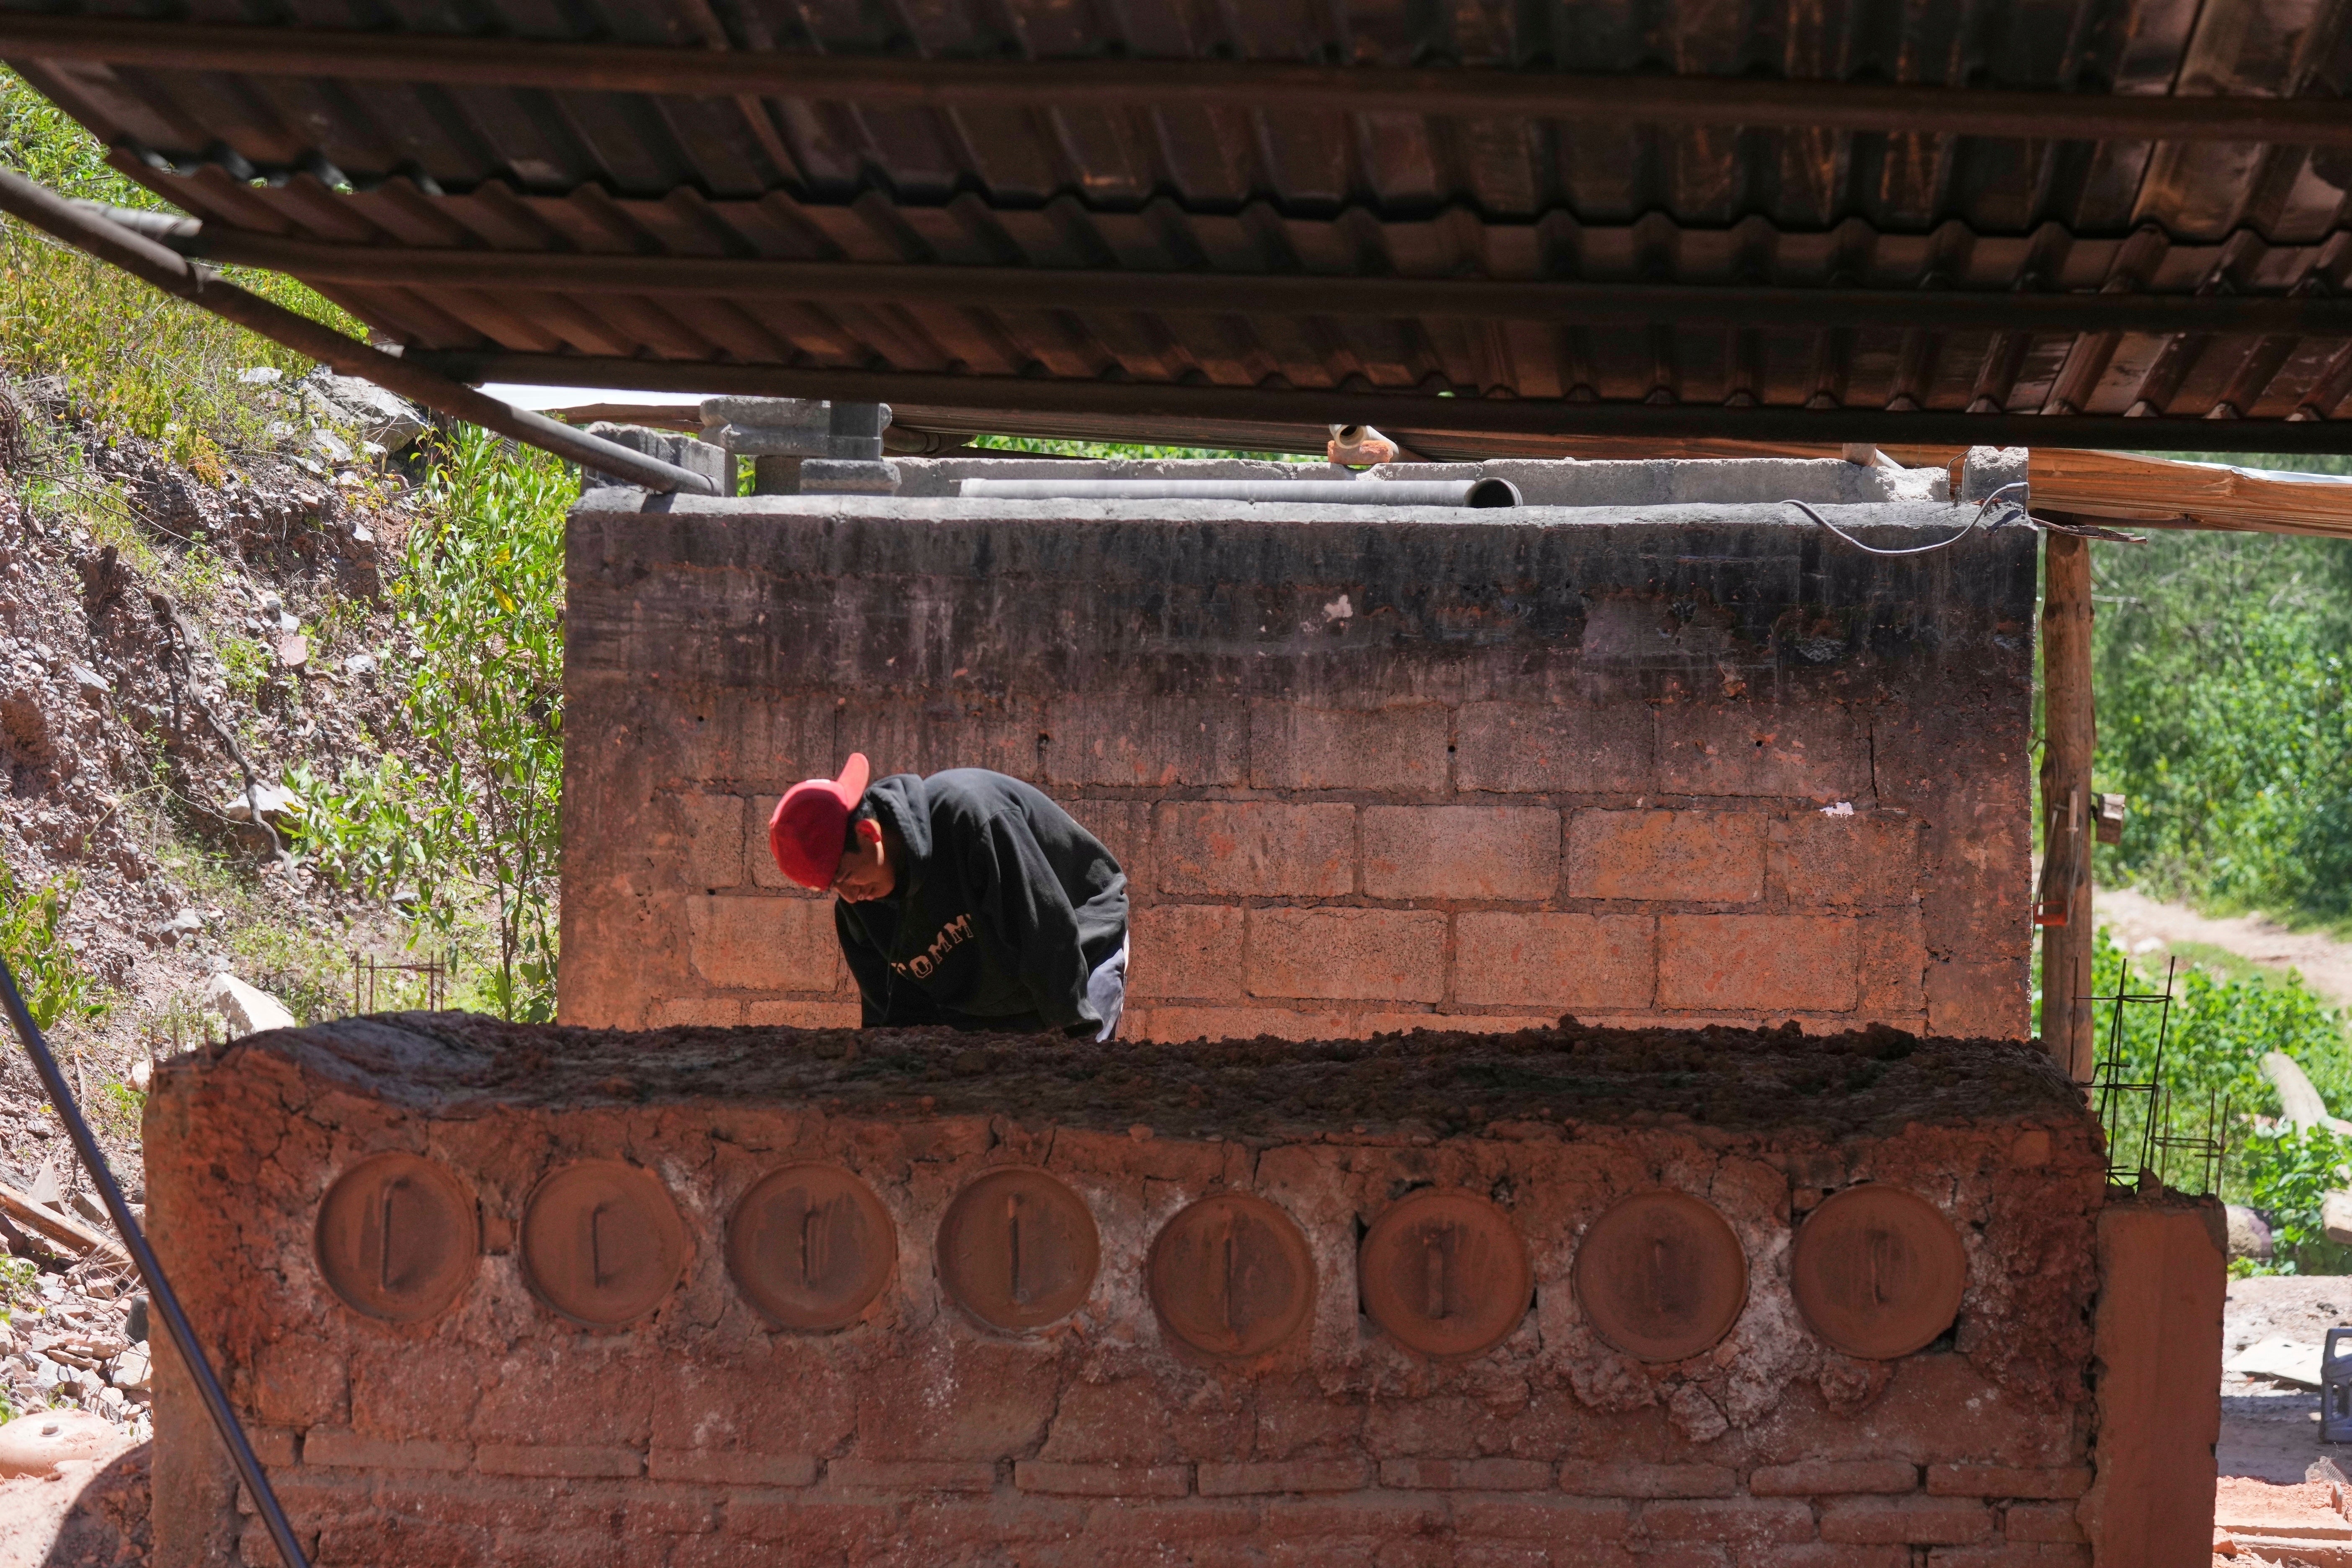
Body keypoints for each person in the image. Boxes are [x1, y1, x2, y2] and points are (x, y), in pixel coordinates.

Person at [766, 754, 1130, 1039]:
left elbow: (1046, 934)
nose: (850, 895)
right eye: (834, 887)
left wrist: (1077, 1040)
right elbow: (893, 1018)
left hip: (1078, 951)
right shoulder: (859, 911)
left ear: (869, 833)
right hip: (988, 993)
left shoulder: (971, 820)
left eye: (846, 875)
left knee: (1067, 1099)